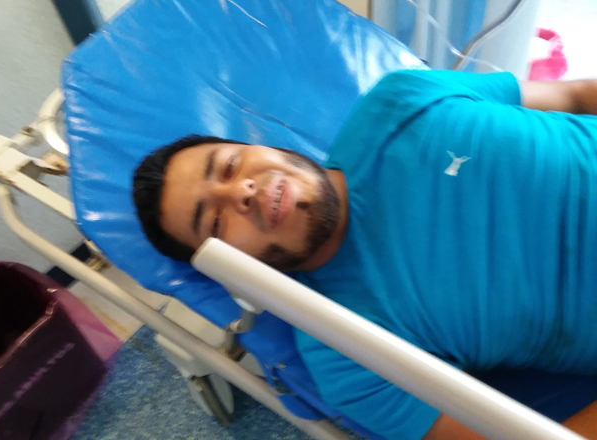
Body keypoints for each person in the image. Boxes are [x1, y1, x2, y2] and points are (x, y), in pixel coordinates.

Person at [132, 69, 597, 440]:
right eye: (215, 221)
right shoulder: (348, 353)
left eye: (230, 165)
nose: (242, 191)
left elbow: (574, 94)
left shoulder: (402, 97)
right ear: (229, 269)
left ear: (260, 144)